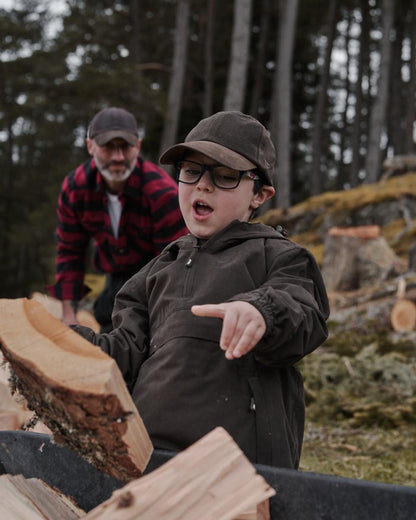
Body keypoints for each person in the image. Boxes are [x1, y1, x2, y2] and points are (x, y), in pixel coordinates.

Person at [72, 110, 329, 469]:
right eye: (191, 172)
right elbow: (125, 351)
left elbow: (302, 309)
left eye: (225, 177)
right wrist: (65, 343)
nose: (202, 186)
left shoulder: (280, 256)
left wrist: (261, 311)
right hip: (148, 455)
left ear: (260, 194)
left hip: (237, 463)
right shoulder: (156, 270)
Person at [47, 107, 187, 332]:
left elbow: (174, 263)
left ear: (138, 146)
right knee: (105, 321)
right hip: (113, 278)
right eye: (108, 147)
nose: (118, 157)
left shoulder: (162, 193)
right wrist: (69, 315)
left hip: (155, 277)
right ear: (90, 146)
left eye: (125, 147)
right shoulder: (76, 188)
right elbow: (70, 252)